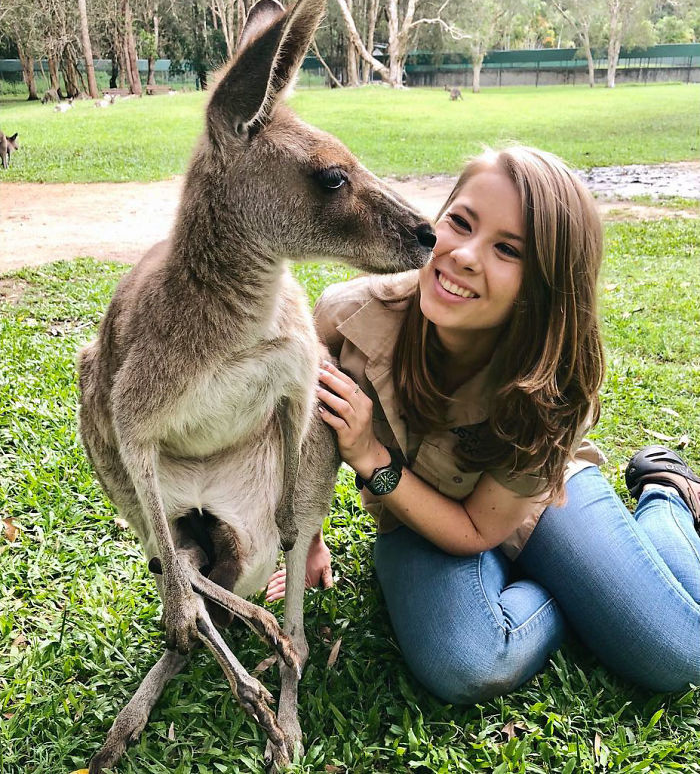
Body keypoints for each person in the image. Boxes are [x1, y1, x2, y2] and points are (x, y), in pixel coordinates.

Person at [266, 145, 700, 703]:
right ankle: (577, 590)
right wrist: (308, 542)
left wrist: (371, 456)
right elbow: (303, 436)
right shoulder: (347, 316)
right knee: (466, 662)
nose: (465, 255)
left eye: (508, 250)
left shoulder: (555, 381)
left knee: (678, 654)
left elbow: (478, 530)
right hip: (416, 512)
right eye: (460, 222)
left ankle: (665, 491)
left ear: (545, 284)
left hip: (537, 503)